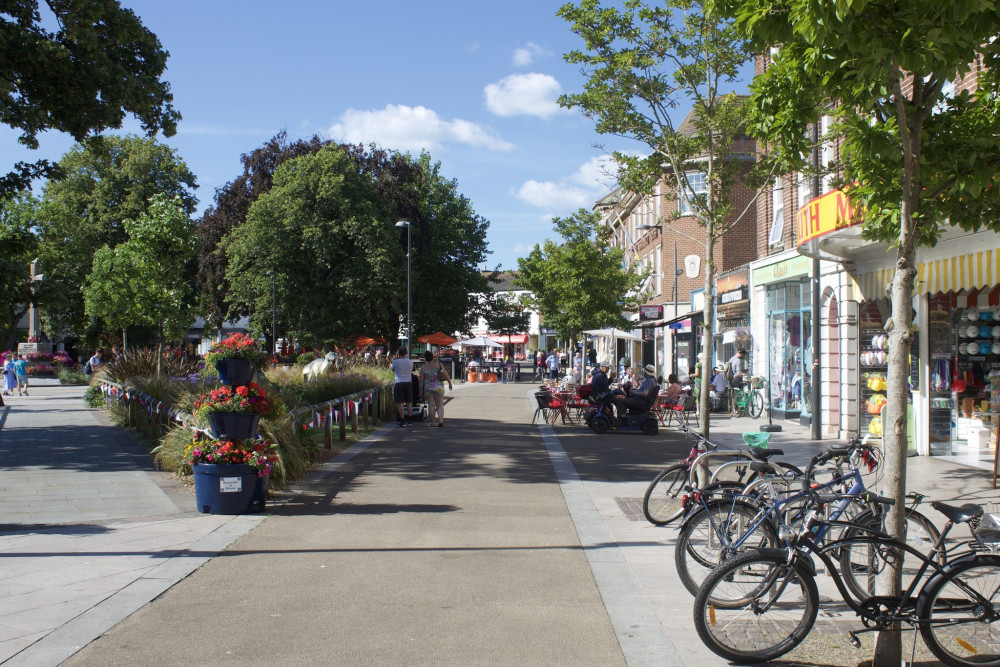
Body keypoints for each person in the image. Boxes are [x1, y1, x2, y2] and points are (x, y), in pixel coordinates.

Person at [420, 350, 452, 427]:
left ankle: (433, 423)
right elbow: (446, 374)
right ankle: (440, 420)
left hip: (428, 388)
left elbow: (421, 381)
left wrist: (420, 391)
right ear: (432, 357)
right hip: (439, 387)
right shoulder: (438, 364)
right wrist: (450, 383)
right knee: (440, 404)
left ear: (425, 358)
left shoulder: (423, 368)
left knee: (431, 405)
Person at [391, 347, 414, 426]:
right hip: (408, 382)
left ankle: (402, 420)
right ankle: (410, 420)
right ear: (406, 353)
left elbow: (392, 369)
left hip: (399, 382)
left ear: (398, 353)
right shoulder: (410, 361)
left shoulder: (395, 362)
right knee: (409, 402)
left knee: (400, 402)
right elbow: (411, 369)